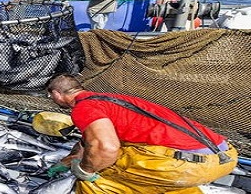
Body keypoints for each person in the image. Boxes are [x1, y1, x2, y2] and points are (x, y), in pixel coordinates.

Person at [45, 73, 238, 194]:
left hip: (187, 164)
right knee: (143, 178)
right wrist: (65, 163)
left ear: (56, 94)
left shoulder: (83, 108)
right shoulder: (111, 99)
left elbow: (106, 147)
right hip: (223, 156)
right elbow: (87, 144)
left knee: (97, 181)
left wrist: (86, 171)